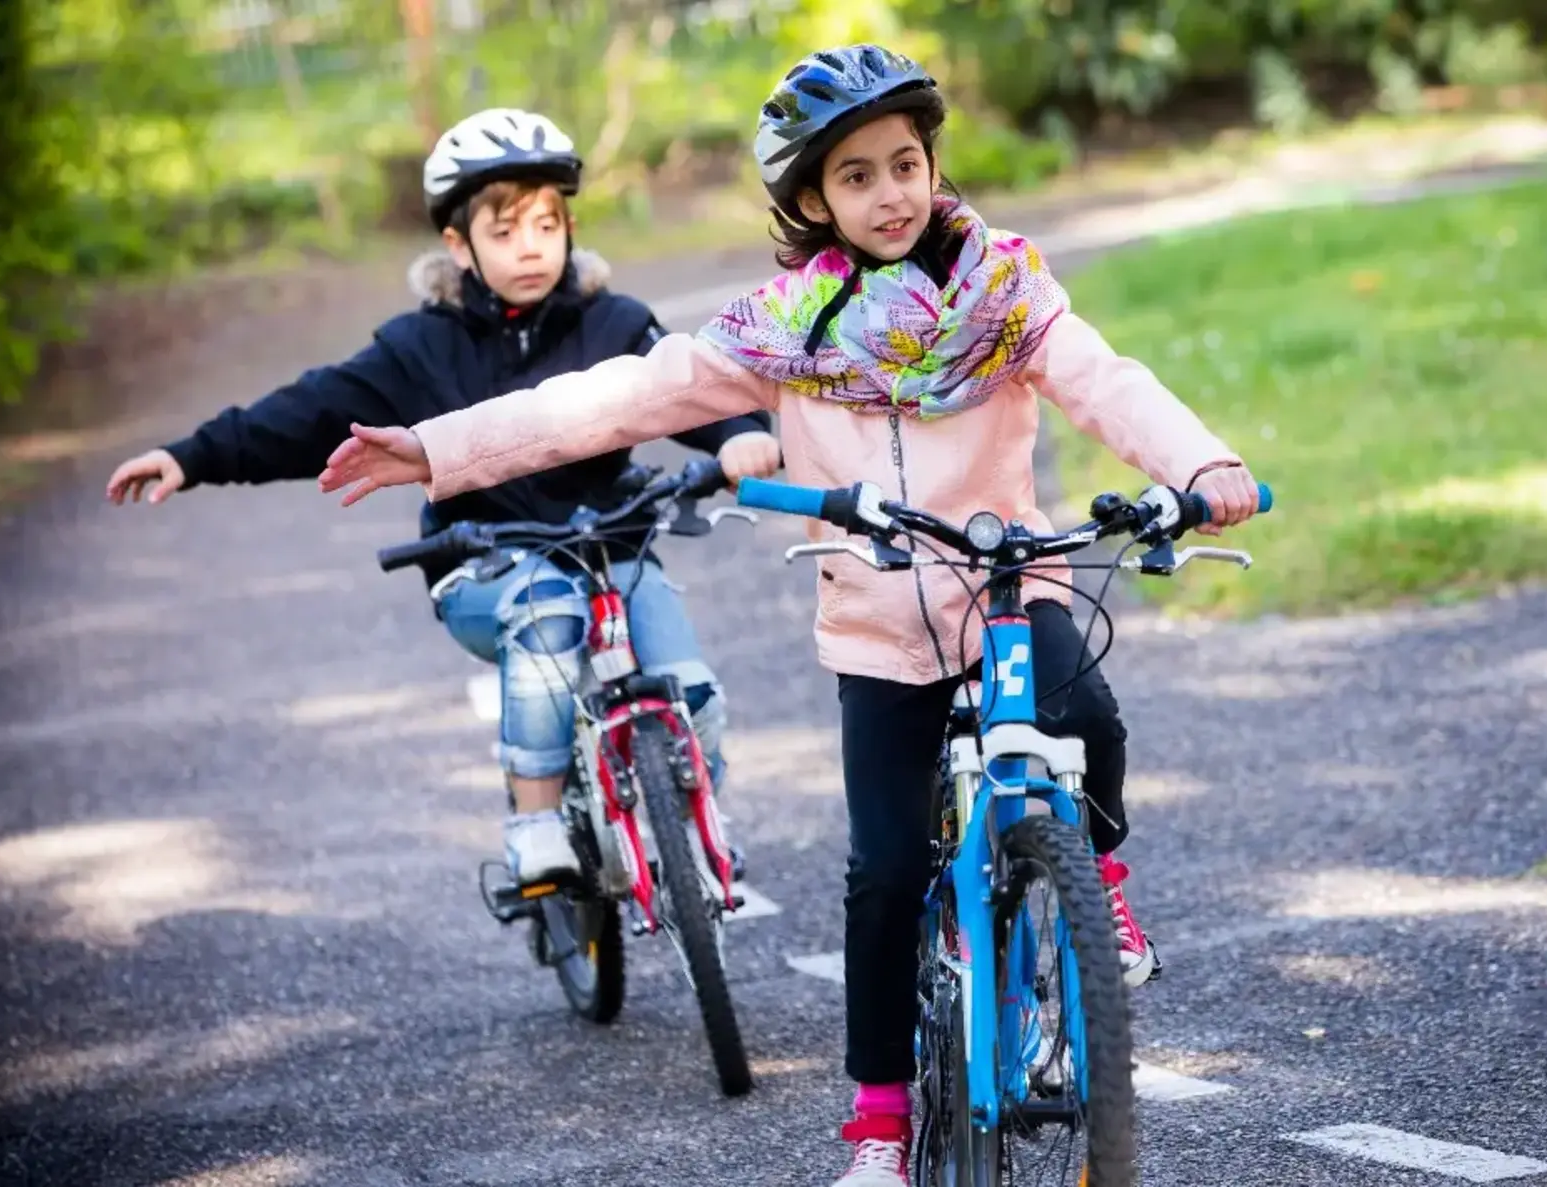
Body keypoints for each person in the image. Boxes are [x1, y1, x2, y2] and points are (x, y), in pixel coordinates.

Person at [315, 49, 1262, 1186]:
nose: (893, 192)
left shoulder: (1006, 293)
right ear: (813, 200)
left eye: (907, 164)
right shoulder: (781, 328)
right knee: (881, 872)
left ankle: (1095, 893)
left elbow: (1110, 380)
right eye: (857, 176)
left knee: (1089, 716)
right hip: (877, 623)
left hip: (1008, 584)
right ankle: (874, 1127)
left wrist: (1201, 464)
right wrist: (440, 447)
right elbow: (615, 398)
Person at [103, 107, 779, 889]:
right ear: (458, 245)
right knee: (545, 608)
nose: (531, 244)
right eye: (504, 229)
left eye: (547, 223)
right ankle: (534, 821)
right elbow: (305, 413)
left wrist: (738, 433)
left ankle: (686, 823)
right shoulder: (417, 346)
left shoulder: (619, 322)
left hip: (612, 547)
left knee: (693, 694)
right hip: (485, 563)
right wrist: (193, 457)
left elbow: (686, 387)